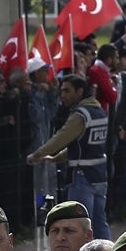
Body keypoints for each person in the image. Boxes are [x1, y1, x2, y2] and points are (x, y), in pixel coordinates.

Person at [27, 73, 111, 239]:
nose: (62, 95)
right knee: (99, 222)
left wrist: (37, 154)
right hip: (100, 176)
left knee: (78, 224)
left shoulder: (81, 115)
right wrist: (57, 158)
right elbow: (82, 145)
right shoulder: (99, 111)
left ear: (80, 92)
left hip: (82, 177)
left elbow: (61, 137)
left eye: (67, 91)